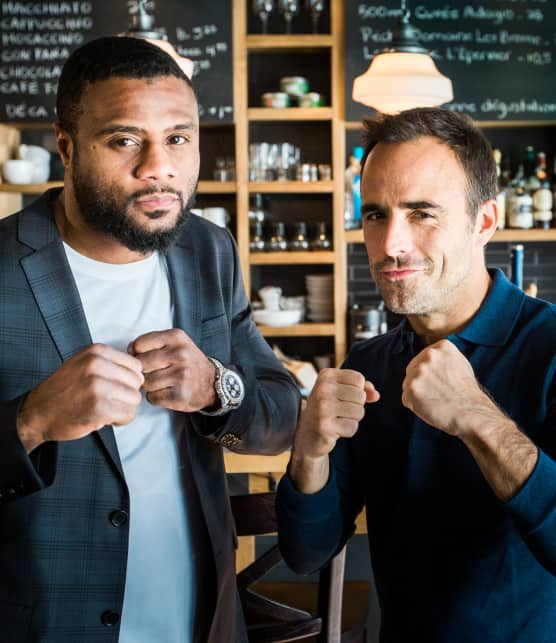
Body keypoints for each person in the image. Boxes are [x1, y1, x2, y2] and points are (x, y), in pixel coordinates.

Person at [0, 37, 299, 643]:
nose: (157, 166)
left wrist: (218, 386)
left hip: (197, 620)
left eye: (178, 138)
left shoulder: (208, 249)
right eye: (124, 139)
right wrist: (30, 422)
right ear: (67, 146)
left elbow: (283, 410)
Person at [276, 107, 556, 642]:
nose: (391, 245)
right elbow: (306, 552)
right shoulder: (368, 365)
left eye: (422, 213)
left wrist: (476, 416)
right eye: (376, 215)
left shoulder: (550, 349)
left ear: (486, 222)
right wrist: (308, 453)